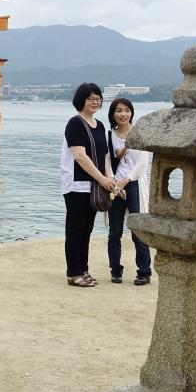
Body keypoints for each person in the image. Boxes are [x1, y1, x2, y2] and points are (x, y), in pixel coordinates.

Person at [61, 83, 116, 287]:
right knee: (75, 230)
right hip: (77, 185)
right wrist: (102, 179)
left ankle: (83, 270)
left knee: (86, 230)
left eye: (98, 98)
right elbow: (79, 156)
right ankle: (73, 273)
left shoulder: (99, 125)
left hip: (94, 185)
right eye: (91, 98)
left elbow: (105, 156)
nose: (95, 102)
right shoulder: (75, 124)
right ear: (81, 101)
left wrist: (110, 179)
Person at [106, 98, 152, 285]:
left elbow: (142, 164)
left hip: (133, 184)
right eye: (119, 111)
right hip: (114, 186)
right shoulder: (109, 135)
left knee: (138, 230)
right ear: (113, 114)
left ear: (131, 113)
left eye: (126, 110)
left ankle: (144, 271)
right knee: (114, 231)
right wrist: (112, 181)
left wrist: (124, 182)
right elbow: (107, 160)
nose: (123, 114)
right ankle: (115, 270)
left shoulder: (140, 134)